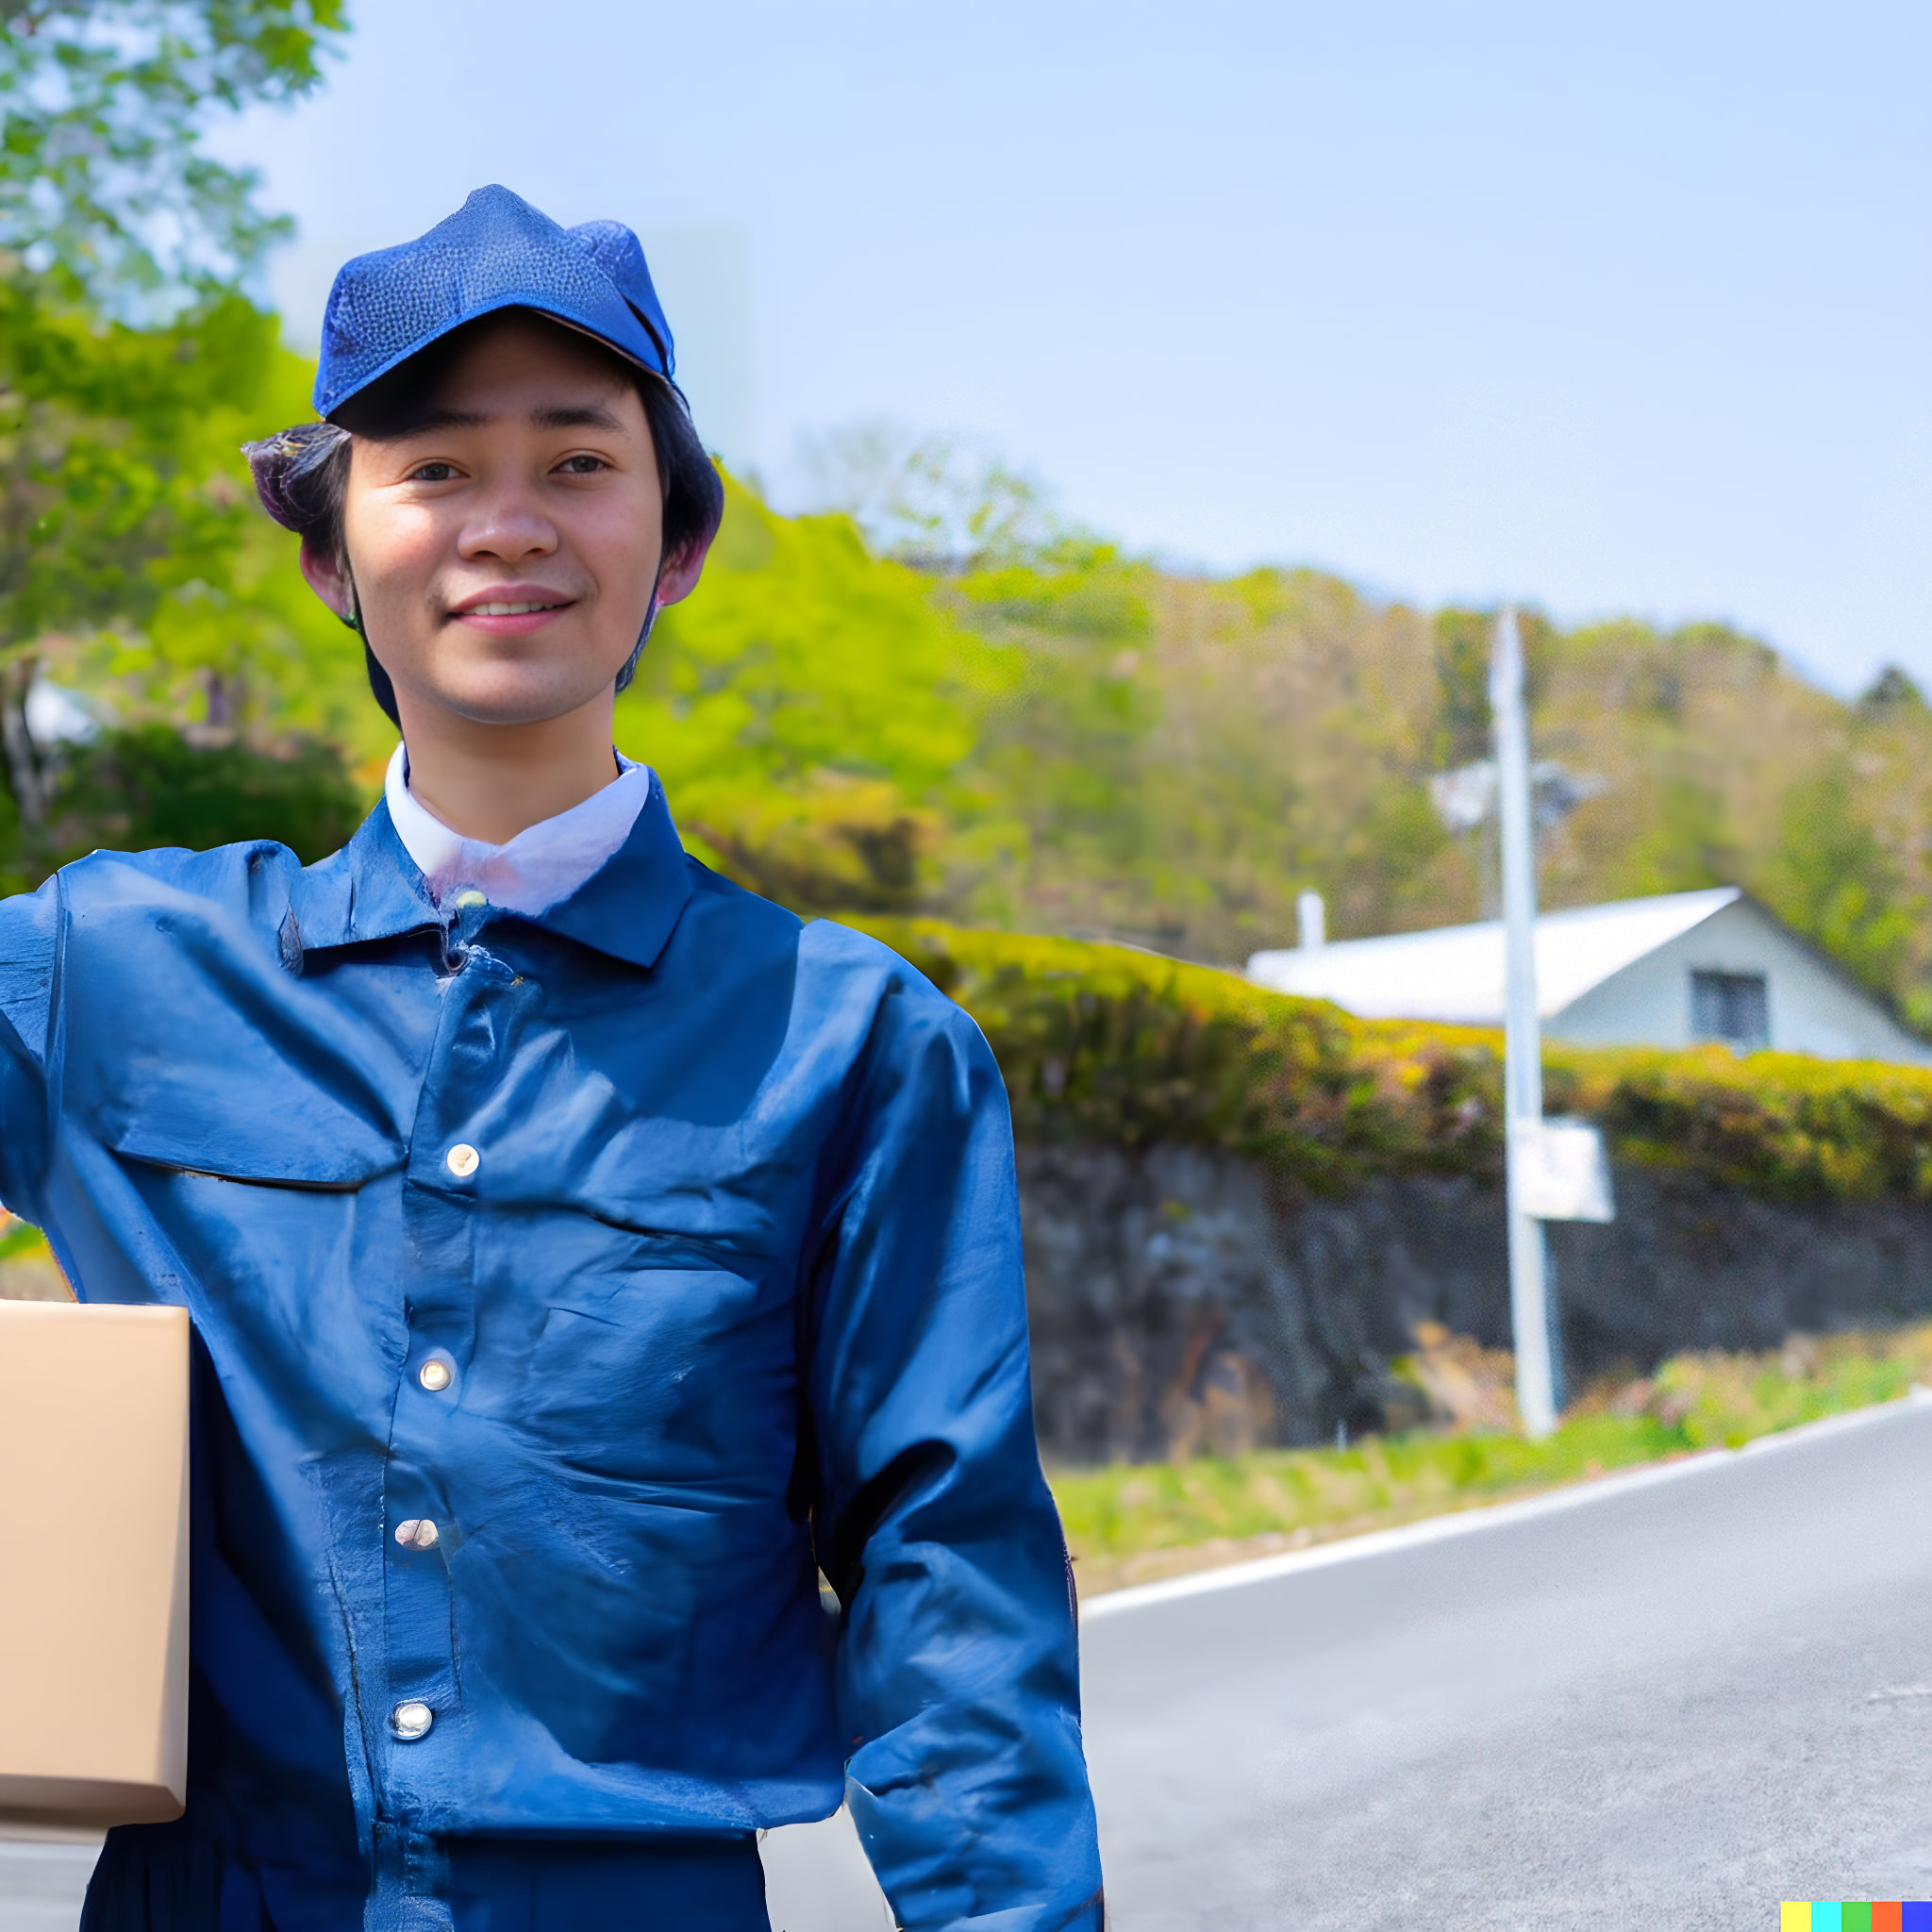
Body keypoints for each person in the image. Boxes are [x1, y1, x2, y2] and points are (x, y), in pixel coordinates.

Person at [0, 184, 1102, 1930]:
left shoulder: (858, 1044)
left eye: (579, 464)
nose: (505, 523)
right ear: (329, 553)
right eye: (433, 468)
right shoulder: (106, 971)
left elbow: (941, 1566)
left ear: (673, 545)